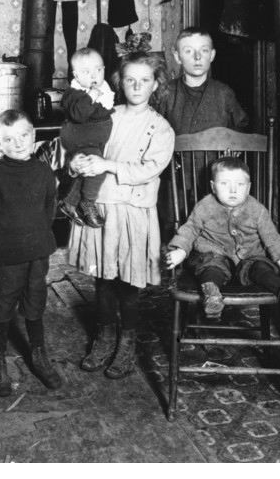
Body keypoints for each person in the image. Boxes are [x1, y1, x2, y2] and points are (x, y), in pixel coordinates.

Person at [68, 52, 176, 379]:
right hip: (101, 206)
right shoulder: (106, 115)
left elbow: (149, 168)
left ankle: (127, 341)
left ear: (156, 85)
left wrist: (107, 166)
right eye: (130, 79)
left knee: (129, 281)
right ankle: (104, 335)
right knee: (103, 277)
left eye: (144, 80)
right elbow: (81, 144)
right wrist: (76, 162)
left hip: (133, 211)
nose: (136, 86)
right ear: (120, 82)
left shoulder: (160, 127)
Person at [0, 109, 63, 396]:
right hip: (4, 256)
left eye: (24, 136)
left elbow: (49, 209)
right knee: (2, 306)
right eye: (8, 139)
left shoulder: (44, 173)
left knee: (35, 302)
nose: (18, 143)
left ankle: (38, 353)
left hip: (36, 253)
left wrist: (38, 236)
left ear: (34, 136)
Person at [163, 156, 280, 322]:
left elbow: (273, 239)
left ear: (249, 187)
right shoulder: (204, 206)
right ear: (213, 187)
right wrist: (180, 250)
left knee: (262, 268)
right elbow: (190, 229)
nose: (233, 190)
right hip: (213, 255)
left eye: (240, 184)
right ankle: (212, 294)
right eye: (224, 184)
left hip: (250, 259)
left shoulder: (257, 210)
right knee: (211, 265)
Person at [58, 47, 115, 229]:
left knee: (86, 170)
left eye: (99, 70)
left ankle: (69, 202)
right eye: (87, 72)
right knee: (98, 169)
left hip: (91, 140)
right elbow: (79, 114)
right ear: (76, 75)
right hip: (80, 137)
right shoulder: (75, 93)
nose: (94, 76)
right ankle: (87, 202)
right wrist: (91, 96)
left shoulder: (103, 89)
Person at [160, 27, 250, 134]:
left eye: (204, 50)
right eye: (188, 51)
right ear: (178, 57)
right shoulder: (166, 92)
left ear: (211, 55)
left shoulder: (224, 93)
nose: (197, 57)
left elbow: (241, 135)